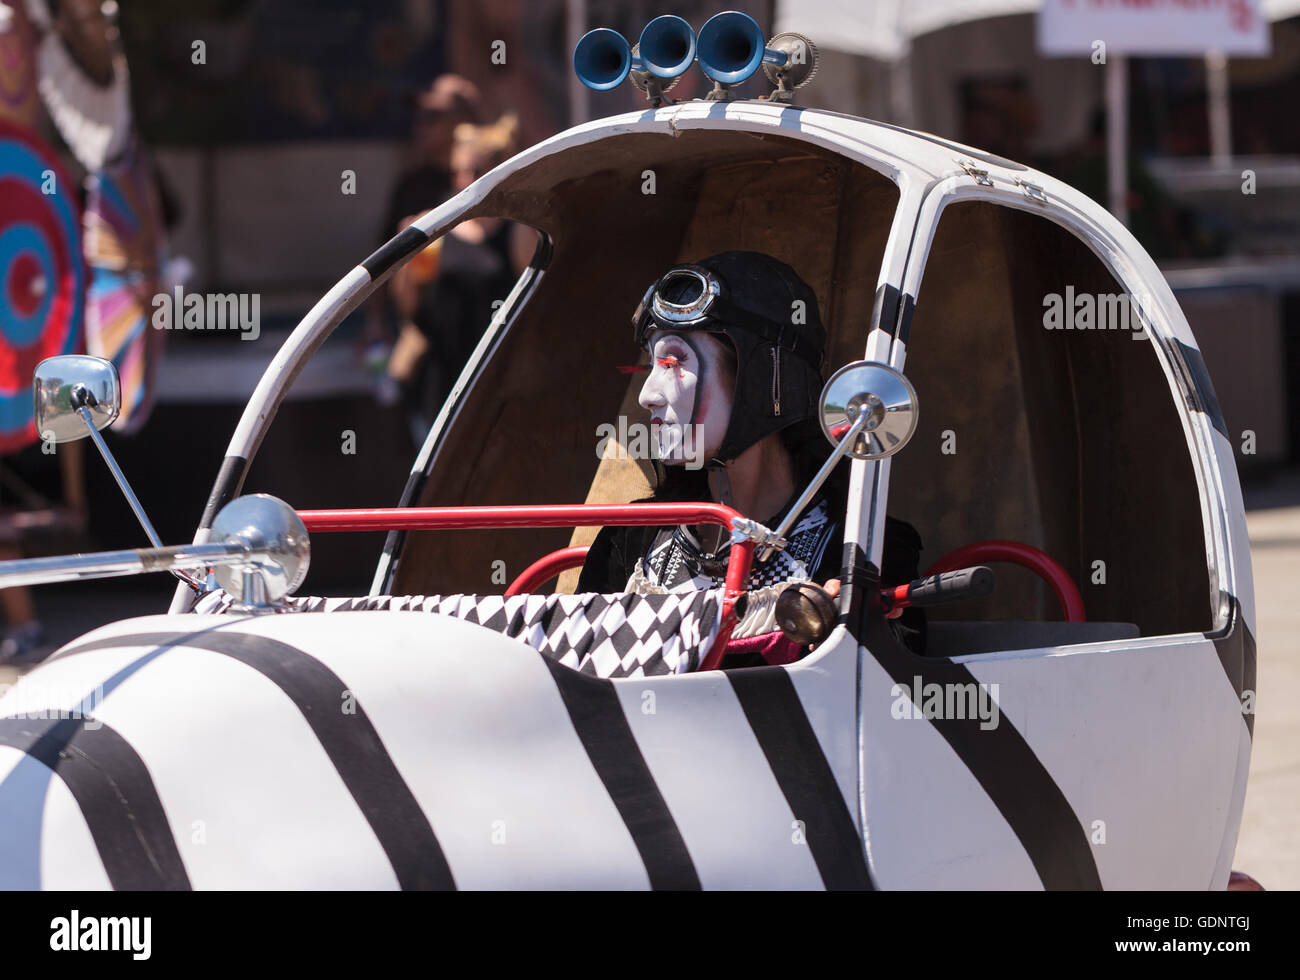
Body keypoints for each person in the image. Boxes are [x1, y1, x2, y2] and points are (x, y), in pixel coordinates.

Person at [577, 251, 924, 661]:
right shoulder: (630, 538)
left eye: (672, 361)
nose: (648, 395)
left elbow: (895, 703)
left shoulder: (862, 549)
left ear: (762, 379)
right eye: (651, 365)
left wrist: (855, 638)